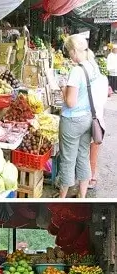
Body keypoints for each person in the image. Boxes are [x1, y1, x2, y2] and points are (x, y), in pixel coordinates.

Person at [57, 34, 108, 198]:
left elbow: (70, 102)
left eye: (68, 51)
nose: (69, 55)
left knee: (67, 159)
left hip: (72, 120)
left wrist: (62, 88)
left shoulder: (76, 71)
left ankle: (62, 198)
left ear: (73, 50)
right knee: (82, 156)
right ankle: (82, 195)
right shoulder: (92, 66)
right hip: (88, 118)